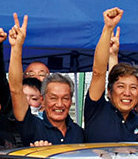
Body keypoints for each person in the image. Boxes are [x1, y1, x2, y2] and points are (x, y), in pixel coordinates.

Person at [7, 14, 84, 146]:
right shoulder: (33, 126)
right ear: (42, 99)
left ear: (71, 101)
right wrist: (16, 47)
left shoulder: (79, 133)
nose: (59, 104)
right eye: (53, 98)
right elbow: (15, 89)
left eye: (65, 98)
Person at [83, 8, 138, 142]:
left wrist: (113, 55)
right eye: (121, 87)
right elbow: (98, 72)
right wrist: (108, 28)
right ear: (109, 92)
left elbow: (115, 78)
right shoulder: (98, 110)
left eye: (133, 88)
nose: (127, 93)